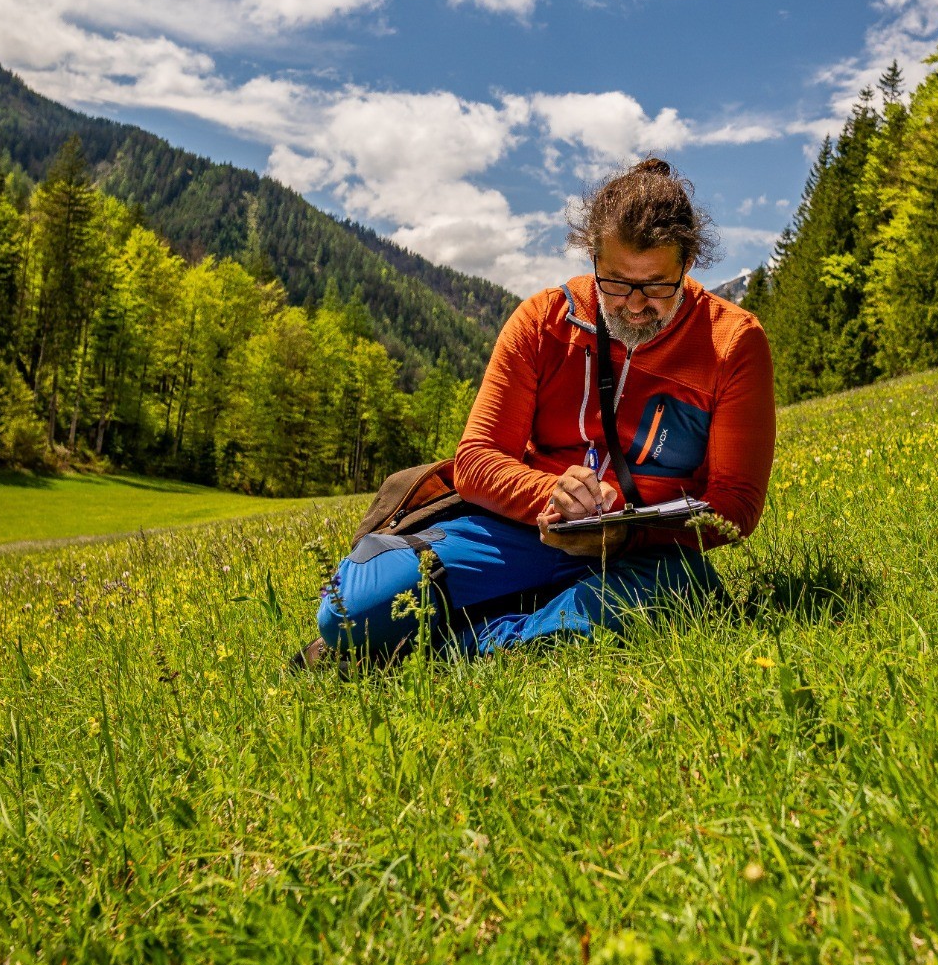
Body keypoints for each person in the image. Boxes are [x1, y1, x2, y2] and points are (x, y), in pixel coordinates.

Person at [293, 158, 775, 665]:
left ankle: (451, 649)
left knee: (682, 588)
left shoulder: (733, 343)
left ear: (689, 261)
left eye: (656, 285)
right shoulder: (543, 321)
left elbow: (736, 503)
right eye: (614, 283)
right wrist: (554, 495)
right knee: (348, 611)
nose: (634, 305)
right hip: (519, 532)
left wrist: (628, 532)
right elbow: (477, 461)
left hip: (643, 555)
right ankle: (540, 621)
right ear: (592, 256)